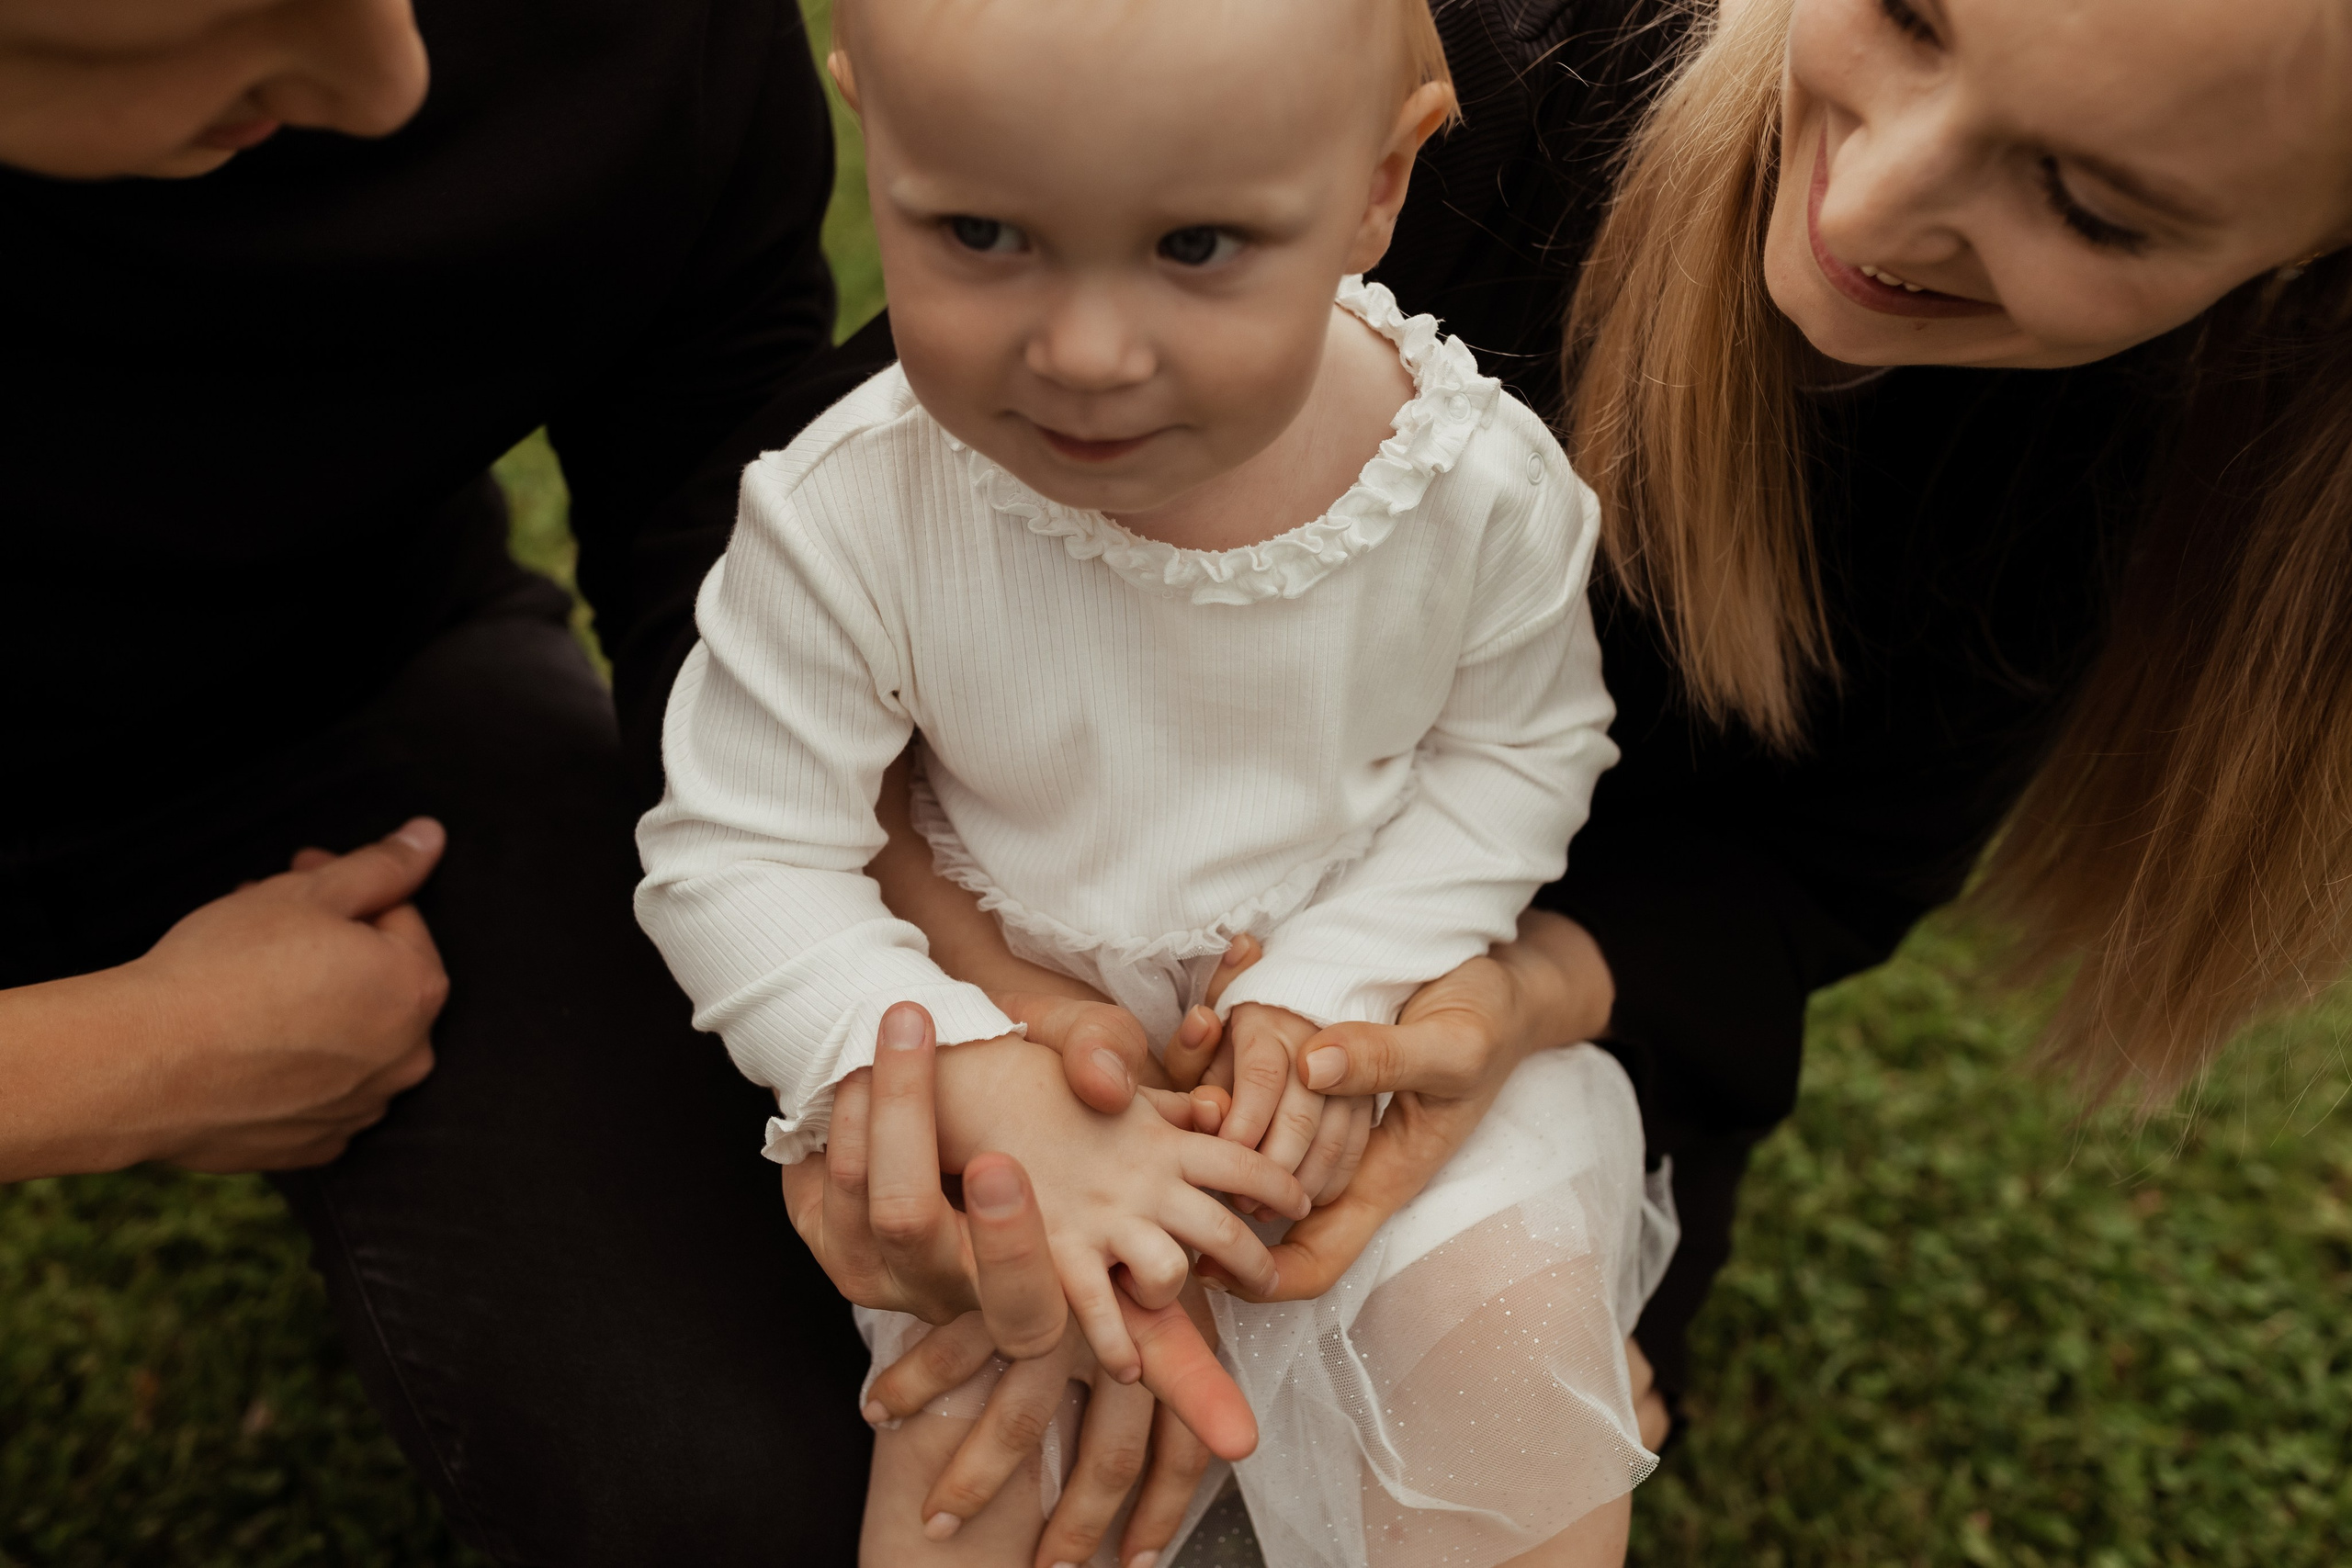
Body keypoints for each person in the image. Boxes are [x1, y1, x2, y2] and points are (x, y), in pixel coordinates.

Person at [797, 0, 2352, 1559]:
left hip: (1506, 1011)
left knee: (1494, 1434)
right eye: (1906, 16)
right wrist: (1003, 1048)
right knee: (932, 1460)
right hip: (964, 950)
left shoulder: (2139, 463)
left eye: (2089, 206)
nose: (1871, 205)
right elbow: (815, 679)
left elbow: (1812, 868)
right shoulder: (1394, 94)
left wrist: (1499, 1008)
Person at [0, 0, 1203, 1560]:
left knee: (752, 1484)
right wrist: (118, 1060)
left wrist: (935, 984)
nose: (396, 86)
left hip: (335, 699)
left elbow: (711, 552)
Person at [633, 1, 1675, 1562]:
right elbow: (733, 851)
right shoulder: (853, 507)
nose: (1085, 353)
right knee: (985, 1483)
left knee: (1501, 1386)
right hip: (1021, 1095)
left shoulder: (1472, 487)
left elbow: (1521, 752)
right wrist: (974, 1075)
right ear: (878, 139)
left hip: (1349, 1070)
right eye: (982, 233)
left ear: (1379, 187)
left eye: (1196, 247)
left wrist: (1340, 979)